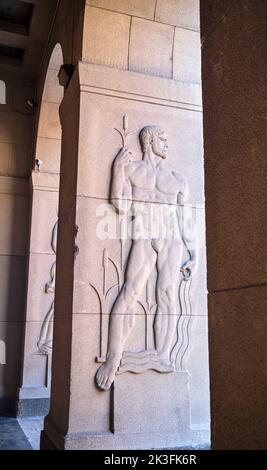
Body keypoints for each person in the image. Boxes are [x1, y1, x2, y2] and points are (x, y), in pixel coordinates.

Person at [96, 126, 197, 391]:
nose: (167, 144)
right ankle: (113, 357)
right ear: (150, 141)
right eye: (163, 139)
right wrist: (117, 169)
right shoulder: (132, 170)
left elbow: (185, 218)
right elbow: (120, 204)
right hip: (144, 235)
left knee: (167, 296)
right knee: (129, 292)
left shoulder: (178, 178)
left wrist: (194, 253)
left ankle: (162, 357)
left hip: (172, 240)